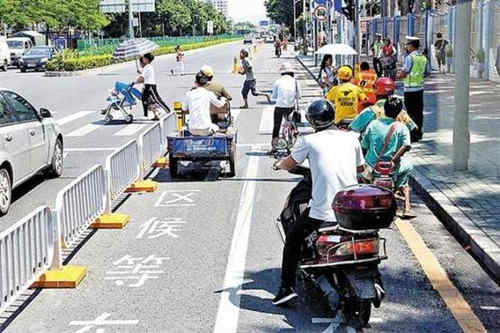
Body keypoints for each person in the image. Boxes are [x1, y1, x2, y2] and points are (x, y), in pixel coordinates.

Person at [272, 99, 365, 306]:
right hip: (351, 210)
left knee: (293, 239)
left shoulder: (309, 141)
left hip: (324, 211)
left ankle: (286, 288)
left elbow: (290, 163)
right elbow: (360, 170)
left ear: (312, 121)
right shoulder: (352, 138)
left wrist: (279, 164)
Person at [361, 97, 414, 217]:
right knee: (408, 168)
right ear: (400, 111)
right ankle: (407, 207)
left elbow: (364, 144)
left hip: (372, 167)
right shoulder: (402, 127)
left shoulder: (373, 124)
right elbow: (406, 145)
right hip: (392, 168)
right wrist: (393, 161)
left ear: (384, 109)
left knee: (360, 176)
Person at [350, 77, 417, 135]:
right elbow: (413, 128)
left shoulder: (370, 111)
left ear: (376, 90)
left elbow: (353, 127)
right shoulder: (401, 112)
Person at [397, 36, 427, 142]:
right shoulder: (423, 57)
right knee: (419, 112)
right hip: (420, 89)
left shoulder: (410, 58)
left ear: (411, 46)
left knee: (410, 113)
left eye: (407, 45)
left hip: (410, 90)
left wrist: (398, 76)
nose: (406, 47)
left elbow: (405, 72)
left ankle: (412, 135)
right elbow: (427, 73)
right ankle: (419, 134)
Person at [182, 71, 227, 136]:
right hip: (205, 129)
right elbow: (220, 105)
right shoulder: (208, 94)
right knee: (216, 127)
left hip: (192, 129)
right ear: (206, 84)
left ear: (196, 83)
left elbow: (184, 108)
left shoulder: (189, 94)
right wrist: (223, 99)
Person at [269, 62, 300, 153]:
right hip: (290, 106)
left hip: (279, 106)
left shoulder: (278, 81)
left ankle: (274, 147)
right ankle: (290, 143)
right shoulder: (295, 81)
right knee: (290, 124)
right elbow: (299, 95)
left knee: (276, 126)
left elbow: (274, 96)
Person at [135, 53, 169, 120]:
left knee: (157, 99)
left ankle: (168, 111)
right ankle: (147, 115)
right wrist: (140, 73)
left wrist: (134, 82)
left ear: (147, 60)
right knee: (144, 99)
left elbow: (141, 78)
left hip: (150, 85)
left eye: (144, 58)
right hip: (147, 85)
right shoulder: (147, 67)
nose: (143, 59)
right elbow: (144, 76)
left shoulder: (148, 67)